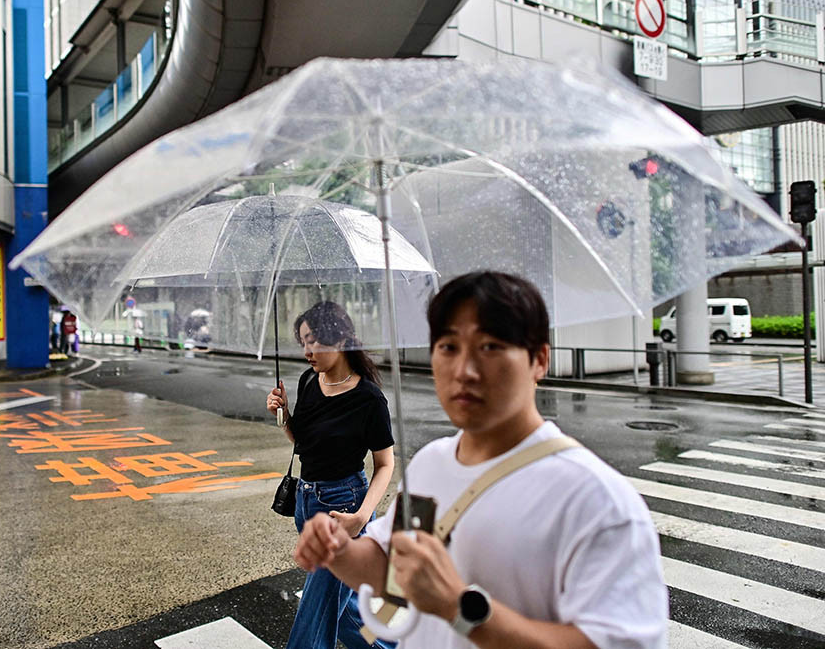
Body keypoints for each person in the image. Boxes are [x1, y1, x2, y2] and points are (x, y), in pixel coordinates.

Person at [292, 272, 668, 648]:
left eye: (489, 347)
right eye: (448, 347)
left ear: (539, 360)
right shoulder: (430, 465)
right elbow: (389, 567)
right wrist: (338, 551)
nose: (463, 370)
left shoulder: (599, 501)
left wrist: (460, 609)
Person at [267, 301, 398, 649]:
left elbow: (385, 464)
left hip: (343, 507)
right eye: (303, 341)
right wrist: (283, 417)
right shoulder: (310, 380)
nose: (307, 351)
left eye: (314, 341)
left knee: (316, 611)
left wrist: (361, 516)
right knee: (345, 611)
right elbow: (305, 444)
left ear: (340, 340)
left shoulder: (369, 399)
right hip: (306, 503)